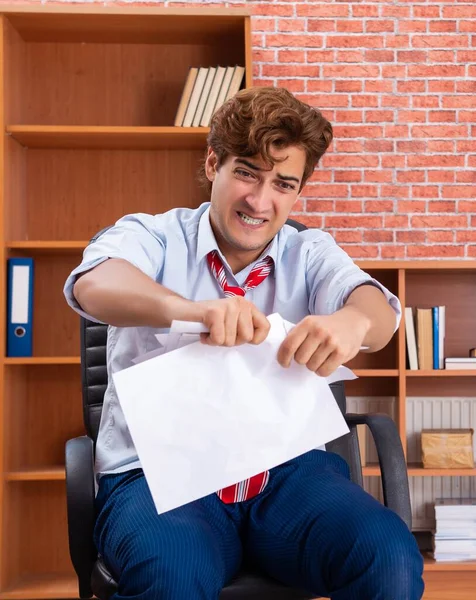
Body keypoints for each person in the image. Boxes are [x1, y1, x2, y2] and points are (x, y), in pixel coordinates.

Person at [63, 86, 424, 600]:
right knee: (173, 575)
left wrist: (351, 323)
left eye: (283, 184)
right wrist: (188, 311)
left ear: (298, 192)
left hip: (288, 475)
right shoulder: (155, 236)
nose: (260, 201)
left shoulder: (309, 252)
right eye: (247, 173)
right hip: (163, 476)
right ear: (214, 164)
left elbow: (377, 310)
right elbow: (92, 283)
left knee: (385, 553)